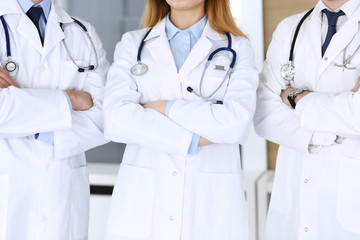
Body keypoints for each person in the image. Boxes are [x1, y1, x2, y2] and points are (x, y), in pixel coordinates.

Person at [103, 0, 258, 239]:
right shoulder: (132, 44)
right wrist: (192, 140)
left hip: (211, 205)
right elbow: (115, 120)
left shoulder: (237, 47)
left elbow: (237, 123)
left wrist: (166, 108)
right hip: (143, 203)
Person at [0, 0, 109, 239]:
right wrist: (71, 99)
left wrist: (37, 126)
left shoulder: (83, 32)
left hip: (62, 192)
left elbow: (106, 117)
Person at [254, 0, 360, 239]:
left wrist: (295, 97)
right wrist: (331, 131)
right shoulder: (290, 28)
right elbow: (264, 115)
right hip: (292, 208)